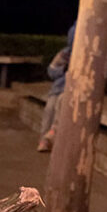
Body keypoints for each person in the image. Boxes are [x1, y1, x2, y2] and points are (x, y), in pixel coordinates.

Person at [38, 23, 75, 153]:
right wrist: (63, 70)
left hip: (72, 91)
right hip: (58, 88)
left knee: (61, 104)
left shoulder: (87, 56)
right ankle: (43, 140)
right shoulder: (64, 54)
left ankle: (53, 136)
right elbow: (51, 70)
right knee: (49, 109)